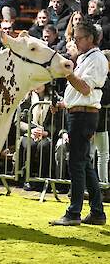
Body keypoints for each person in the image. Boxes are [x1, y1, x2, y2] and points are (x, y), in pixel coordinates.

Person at [50, 21, 108, 226]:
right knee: (83, 163)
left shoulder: (97, 59)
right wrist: (63, 103)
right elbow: (81, 93)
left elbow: (85, 89)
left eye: (79, 38)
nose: (75, 41)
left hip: (84, 116)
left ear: (91, 38)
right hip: (80, 113)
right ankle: (97, 212)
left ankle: (74, 212)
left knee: (76, 163)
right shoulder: (86, 58)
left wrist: (67, 72)